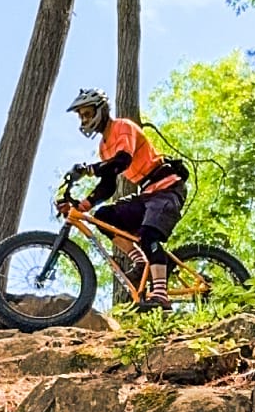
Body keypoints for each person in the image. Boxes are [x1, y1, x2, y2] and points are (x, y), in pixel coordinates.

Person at [63, 87, 187, 308]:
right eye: (81, 116)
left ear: (101, 110)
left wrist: (89, 170)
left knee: (149, 235)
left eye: (87, 113)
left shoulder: (123, 127)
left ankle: (161, 295)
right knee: (104, 216)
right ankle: (140, 263)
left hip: (167, 188)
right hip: (147, 193)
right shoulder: (103, 148)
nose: (84, 119)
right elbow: (109, 185)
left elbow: (122, 161)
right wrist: (84, 204)